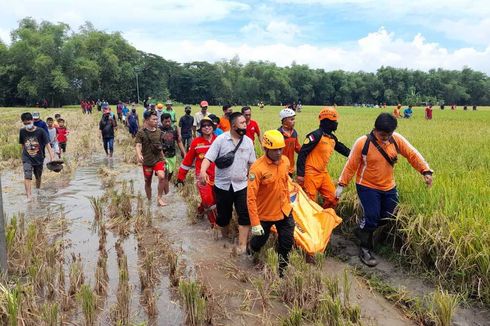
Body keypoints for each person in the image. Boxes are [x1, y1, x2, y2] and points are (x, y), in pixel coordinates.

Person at [337, 113, 433, 267]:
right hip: (367, 186)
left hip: (389, 186)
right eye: (383, 134)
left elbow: (412, 154)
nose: (386, 138)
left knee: (388, 215)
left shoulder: (396, 139)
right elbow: (351, 164)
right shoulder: (363, 143)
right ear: (375, 129)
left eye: (389, 134)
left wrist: (425, 171)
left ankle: (362, 229)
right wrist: (341, 184)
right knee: (372, 217)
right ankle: (365, 249)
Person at [200, 112, 256, 254]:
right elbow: (208, 158)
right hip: (223, 186)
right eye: (242, 123)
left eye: (245, 122)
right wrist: (203, 171)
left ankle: (242, 246)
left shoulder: (248, 142)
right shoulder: (221, 140)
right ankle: (224, 240)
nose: (245, 125)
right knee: (224, 217)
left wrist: (254, 180)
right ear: (233, 125)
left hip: (242, 185)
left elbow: (253, 165)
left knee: (244, 215)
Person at [247, 130, 295, 277]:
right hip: (265, 215)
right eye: (275, 150)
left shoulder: (285, 161)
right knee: (259, 241)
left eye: (281, 148)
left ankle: (282, 272)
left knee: (286, 243)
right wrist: (255, 223)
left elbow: (286, 181)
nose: (279, 152)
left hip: (285, 211)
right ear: (266, 149)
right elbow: (251, 198)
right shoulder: (257, 168)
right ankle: (251, 250)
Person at [296, 107, 350, 208]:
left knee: (333, 198)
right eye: (334, 121)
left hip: (323, 173)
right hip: (310, 173)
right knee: (309, 203)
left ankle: (323, 218)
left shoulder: (332, 138)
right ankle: (308, 222)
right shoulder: (315, 135)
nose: (336, 123)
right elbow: (302, 153)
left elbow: (342, 148)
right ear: (327, 122)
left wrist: (355, 154)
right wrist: (300, 174)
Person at [176, 117, 218, 226]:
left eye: (209, 125)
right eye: (204, 126)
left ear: (213, 127)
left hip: (218, 177)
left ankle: (200, 210)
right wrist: (181, 177)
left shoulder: (218, 140)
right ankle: (214, 225)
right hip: (202, 177)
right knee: (209, 200)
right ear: (200, 129)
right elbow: (187, 161)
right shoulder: (196, 143)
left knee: (216, 200)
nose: (207, 127)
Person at [19, 112, 55, 200]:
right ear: (23, 123)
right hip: (27, 157)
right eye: (25, 123)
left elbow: (48, 145)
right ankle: (29, 197)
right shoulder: (22, 131)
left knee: (38, 177)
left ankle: (38, 190)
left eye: (29, 122)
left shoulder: (41, 131)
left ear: (32, 120)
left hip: (39, 158)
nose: (27, 125)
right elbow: (23, 145)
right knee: (27, 176)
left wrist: (52, 157)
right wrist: (23, 156)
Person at [135, 110, 167, 207]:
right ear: (147, 120)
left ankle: (159, 198)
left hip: (158, 159)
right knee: (147, 181)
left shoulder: (159, 132)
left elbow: (160, 146)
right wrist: (139, 155)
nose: (156, 121)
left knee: (162, 176)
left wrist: (164, 158)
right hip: (147, 161)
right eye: (154, 119)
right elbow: (138, 145)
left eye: (157, 119)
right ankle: (149, 200)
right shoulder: (141, 132)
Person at [160, 113, 186, 197]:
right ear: (161, 122)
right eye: (165, 122)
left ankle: (164, 188)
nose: (167, 123)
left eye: (169, 121)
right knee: (165, 175)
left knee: (170, 174)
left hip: (172, 156)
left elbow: (179, 141)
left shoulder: (174, 129)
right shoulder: (158, 130)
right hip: (163, 156)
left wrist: (184, 153)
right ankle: (165, 194)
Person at [278, 108, 301, 177]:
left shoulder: (294, 133)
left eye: (294, 119)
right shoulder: (278, 134)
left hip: (290, 167)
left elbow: (297, 147)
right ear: (284, 120)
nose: (294, 121)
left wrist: (306, 152)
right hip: (280, 166)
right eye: (291, 119)